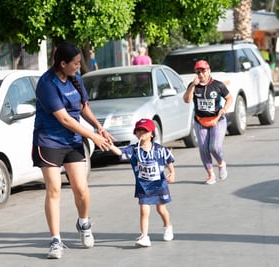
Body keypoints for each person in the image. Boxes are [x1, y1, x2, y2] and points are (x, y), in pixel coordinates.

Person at [32, 42, 114, 259]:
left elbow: (82, 107)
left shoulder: (75, 79)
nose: (79, 67)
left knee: (81, 189)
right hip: (48, 140)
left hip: (73, 141)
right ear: (62, 63)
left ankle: (83, 223)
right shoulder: (47, 83)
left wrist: (98, 127)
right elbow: (65, 119)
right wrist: (93, 136)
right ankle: (55, 241)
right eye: (76, 63)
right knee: (54, 189)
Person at [109, 118, 175, 247]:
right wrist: (110, 145)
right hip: (143, 187)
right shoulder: (134, 150)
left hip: (159, 185)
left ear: (152, 133)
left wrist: (172, 173)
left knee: (161, 209)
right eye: (138, 131)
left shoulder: (160, 149)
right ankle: (144, 236)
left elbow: (169, 160)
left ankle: (168, 226)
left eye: (144, 131)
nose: (141, 133)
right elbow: (121, 152)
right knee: (144, 211)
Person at [183, 60, 233, 185]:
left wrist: (224, 108)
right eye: (198, 72)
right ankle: (210, 175)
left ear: (209, 71)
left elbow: (229, 98)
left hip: (217, 120)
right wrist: (192, 86)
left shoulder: (218, 85)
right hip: (200, 121)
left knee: (214, 147)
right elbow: (187, 100)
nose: (201, 74)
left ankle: (221, 163)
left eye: (203, 71)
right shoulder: (193, 86)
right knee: (204, 149)